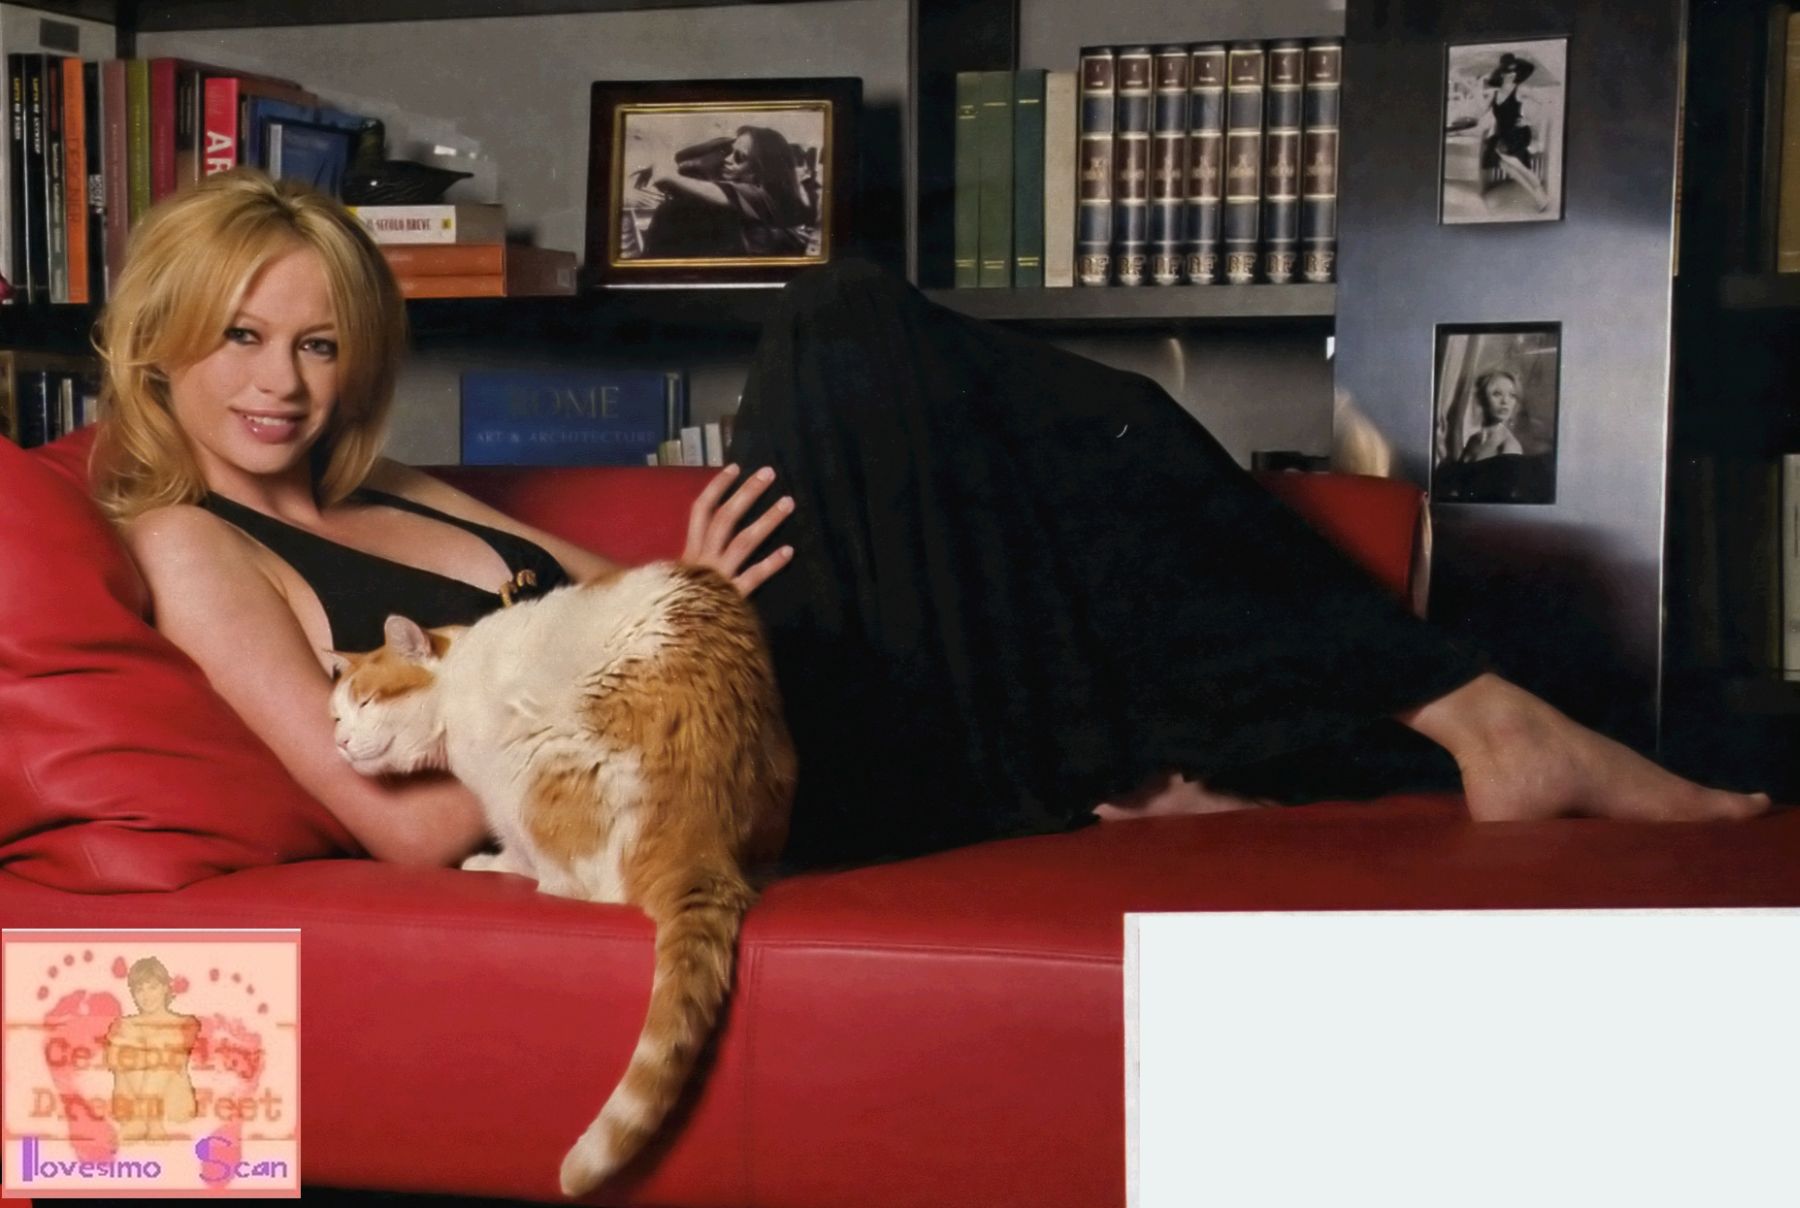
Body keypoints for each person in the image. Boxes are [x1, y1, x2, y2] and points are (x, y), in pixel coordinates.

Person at [97, 171, 1765, 874]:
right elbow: (394, 827)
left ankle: (1376, 731)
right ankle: (1463, 710)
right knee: (846, 323)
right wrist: (618, 674)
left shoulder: (397, 486)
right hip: (720, 783)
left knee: (1028, 418)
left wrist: (687, 589)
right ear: (159, 342)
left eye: (318, 342)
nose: (282, 382)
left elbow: (624, 597)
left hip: (759, 682)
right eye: (240, 336)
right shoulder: (195, 546)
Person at [632, 126, 813, 259]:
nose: (727, 159)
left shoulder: (760, 196)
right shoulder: (757, 196)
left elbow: (668, 177)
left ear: (759, 170)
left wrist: (663, 170)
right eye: (730, 151)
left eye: (739, 157)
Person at [104, 957, 199, 1142]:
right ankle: (150, 1120)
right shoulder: (124, 1025)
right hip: (128, 1109)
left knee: (164, 1040)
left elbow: (173, 1059)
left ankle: (143, 1118)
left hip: (172, 1107)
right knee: (128, 1038)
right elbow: (113, 1061)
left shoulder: (185, 1023)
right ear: (133, 994)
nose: (146, 996)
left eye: (152, 987)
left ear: (165, 988)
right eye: (140, 989)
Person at [1473, 52, 1552, 212]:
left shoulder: (1520, 89)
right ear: (1502, 73)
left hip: (1517, 134)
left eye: (1515, 71)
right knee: (1507, 167)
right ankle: (1539, 198)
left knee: (1515, 165)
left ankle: (1541, 196)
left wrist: (1530, 121)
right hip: (1503, 134)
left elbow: (1546, 103)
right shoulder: (1494, 94)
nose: (1512, 74)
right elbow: (1482, 109)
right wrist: (1476, 87)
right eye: (1509, 71)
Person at [1458, 369, 1526, 463]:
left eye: (1512, 395)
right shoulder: (1474, 439)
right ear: (1482, 398)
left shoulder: (1509, 445)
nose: (1505, 401)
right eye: (1497, 394)